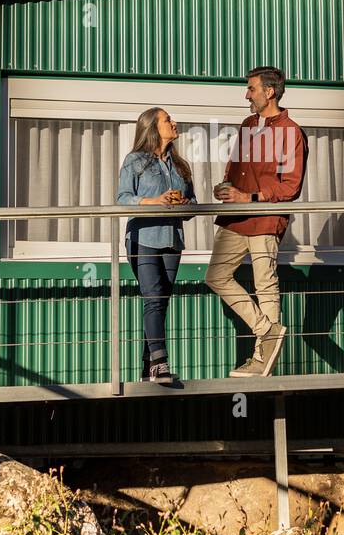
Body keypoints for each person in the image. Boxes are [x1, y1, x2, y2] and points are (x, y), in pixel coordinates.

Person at [206, 66, 308, 376]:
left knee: (266, 285)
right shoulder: (247, 124)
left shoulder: (291, 131)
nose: (246, 94)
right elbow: (234, 167)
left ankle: (262, 361)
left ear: (269, 92)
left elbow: (290, 187)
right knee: (216, 275)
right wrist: (225, 187)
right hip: (235, 217)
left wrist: (249, 198)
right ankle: (268, 329)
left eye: (251, 88)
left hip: (265, 217)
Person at [117, 108, 196, 385]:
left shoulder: (182, 166)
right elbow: (122, 199)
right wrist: (153, 201)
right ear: (152, 127)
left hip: (172, 239)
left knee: (160, 304)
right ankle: (160, 364)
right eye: (168, 120)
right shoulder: (134, 161)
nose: (175, 123)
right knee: (153, 299)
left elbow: (193, 206)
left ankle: (147, 366)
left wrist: (185, 205)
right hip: (143, 238)